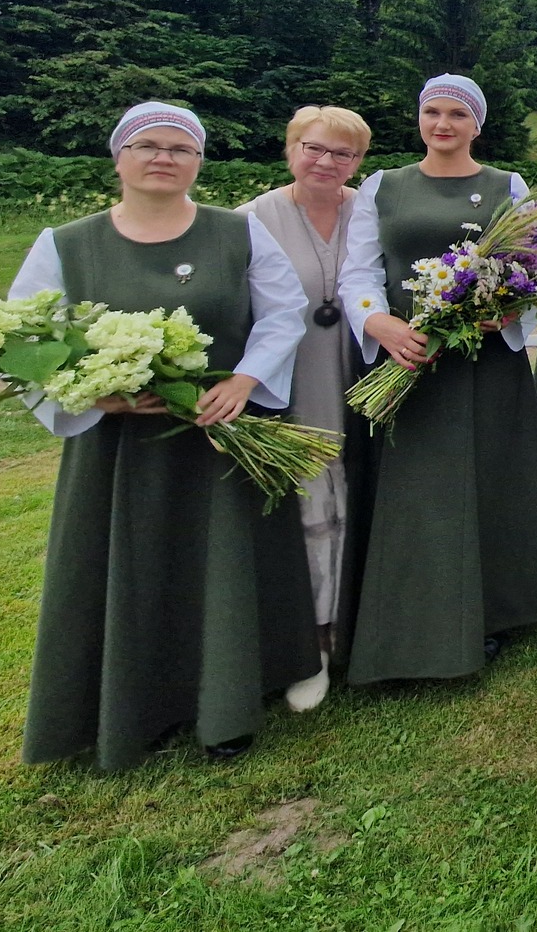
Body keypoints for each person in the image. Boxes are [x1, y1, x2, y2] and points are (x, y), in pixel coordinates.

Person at [12, 102, 316, 768]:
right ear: (119, 157)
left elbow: (282, 311)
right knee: (137, 567)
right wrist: (100, 395)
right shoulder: (66, 244)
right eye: (147, 145)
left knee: (224, 564)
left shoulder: (234, 233)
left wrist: (244, 381)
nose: (164, 158)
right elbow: (26, 341)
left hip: (221, 435)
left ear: (198, 163)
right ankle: (132, 710)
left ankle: (229, 704)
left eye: (181, 149)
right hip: (120, 451)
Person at [337, 75, 537, 683]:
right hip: (408, 359)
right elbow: (357, 271)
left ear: (477, 125)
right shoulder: (382, 186)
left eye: (456, 115)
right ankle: (408, 615)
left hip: (485, 362)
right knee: (417, 487)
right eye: (432, 112)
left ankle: (493, 609)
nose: (443, 124)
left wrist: (516, 308)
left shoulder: (505, 185)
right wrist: (379, 322)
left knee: (488, 479)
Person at [240, 104, 373, 711]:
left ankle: (360, 622)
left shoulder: (369, 210)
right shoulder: (251, 220)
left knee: (366, 489)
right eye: (314, 148)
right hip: (294, 380)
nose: (327, 162)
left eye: (342, 153)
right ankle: (311, 640)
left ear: (359, 162)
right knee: (312, 493)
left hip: (369, 367)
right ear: (291, 148)